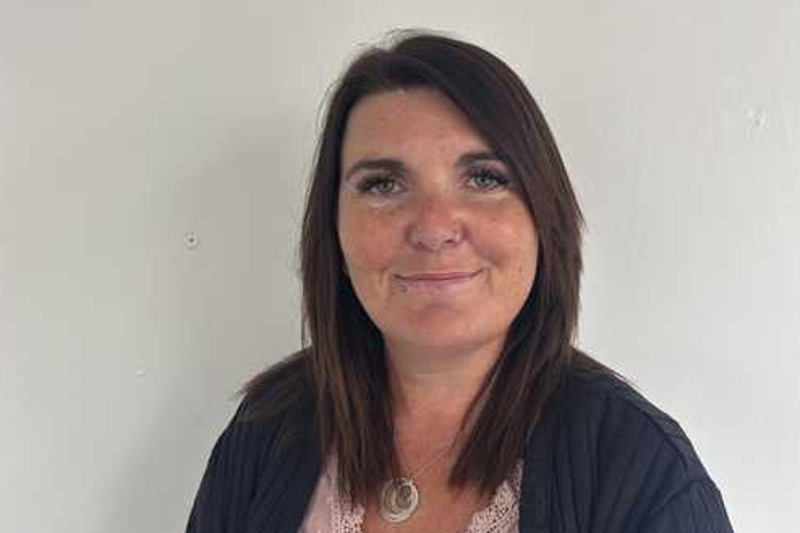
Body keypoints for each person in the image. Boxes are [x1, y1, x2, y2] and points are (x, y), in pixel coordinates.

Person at [185, 29, 735, 533]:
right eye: (382, 185)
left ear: (544, 218)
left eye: (484, 178)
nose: (434, 227)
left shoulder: (642, 467)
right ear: (334, 232)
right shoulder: (268, 429)